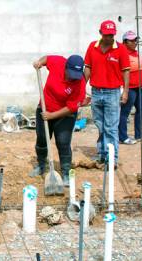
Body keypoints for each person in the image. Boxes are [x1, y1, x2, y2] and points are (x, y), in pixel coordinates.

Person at [30, 55, 86, 186]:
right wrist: (39, 62)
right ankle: (41, 165)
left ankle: (66, 172)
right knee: (42, 138)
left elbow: (71, 108)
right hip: (44, 108)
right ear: (66, 67)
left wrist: (51, 116)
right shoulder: (58, 62)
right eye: (71, 73)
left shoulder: (80, 83)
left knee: (63, 142)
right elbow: (47, 59)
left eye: (76, 75)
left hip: (65, 114)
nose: (73, 77)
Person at [84, 20, 130, 167]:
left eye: (112, 35)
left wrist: (126, 92)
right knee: (100, 125)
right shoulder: (92, 47)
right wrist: (81, 88)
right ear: (100, 33)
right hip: (96, 92)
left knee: (111, 127)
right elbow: (88, 68)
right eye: (107, 35)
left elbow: (126, 71)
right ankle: (102, 155)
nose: (109, 38)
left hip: (113, 93)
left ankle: (112, 159)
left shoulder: (121, 49)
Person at [118, 30, 142, 144]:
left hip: (139, 87)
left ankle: (139, 134)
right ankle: (122, 137)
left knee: (141, 109)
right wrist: (123, 90)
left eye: (135, 40)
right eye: (131, 40)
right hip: (130, 88)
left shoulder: (136, 53)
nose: (135, 42)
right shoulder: (122, 55)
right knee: (125, 112)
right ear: (125, 42)